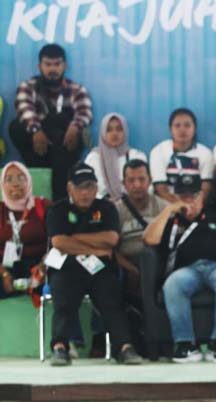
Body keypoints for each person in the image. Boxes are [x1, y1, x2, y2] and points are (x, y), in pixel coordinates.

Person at [45, 163, 143, 366]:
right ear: (69, 188)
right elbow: (59, 242)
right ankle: (60, 347)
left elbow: (111, 239)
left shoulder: (106, 208)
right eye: (80, 187)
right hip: (68, 266)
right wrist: (96, 249)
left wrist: (74, 238)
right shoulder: (58, 209)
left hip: (98, 268)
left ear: (96, 188)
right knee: (63, 298)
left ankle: (124, 347)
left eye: (89, 187)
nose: (85, 193)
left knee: (112, 298)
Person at [143, 173, 216, 363]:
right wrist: (169, 210)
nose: (189, 201)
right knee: (173, 284)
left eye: (193, 196)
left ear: (201, 196)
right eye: (183, 196)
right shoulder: (170, 222)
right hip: (186, 270)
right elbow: (149, 239)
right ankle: (185, 344)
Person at [8, 44, 92, 200]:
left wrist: (74, 127)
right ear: (39, 66)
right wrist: (36, 131)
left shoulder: (76, 89)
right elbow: (24, 109)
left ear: (64, 66)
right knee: (16, 126)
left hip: (64, 144)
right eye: (48, 64)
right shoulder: (28, 87)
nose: (52, 69)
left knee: (70, 125)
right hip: (37, 147)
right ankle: (40, 189)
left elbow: (84, 112)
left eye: (57, 64)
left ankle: (60, 201)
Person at [114, 160, 168, 293]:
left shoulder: (163, 207)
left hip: (156, 260)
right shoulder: (115, 210)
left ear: (150, 181)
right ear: (124, 183)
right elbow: (110, 249)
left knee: (149, 257)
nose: (137, 185)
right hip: (126, 262)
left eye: (142, 179)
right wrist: (130, 268)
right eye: (131, 180)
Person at [0, 162, 50, 298]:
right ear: (2, 185)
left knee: (57, 282)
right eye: (9, 179)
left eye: (21, 178)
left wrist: (43, 266)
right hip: (5, 266)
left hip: (38, 264)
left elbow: (57, 242)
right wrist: (4, 273)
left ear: (28, 181)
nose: (15, 184)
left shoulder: (43, 206)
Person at [149, 108, 214, 203]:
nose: (182, 130)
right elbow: (160, 189)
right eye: (177, 126)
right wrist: (180, 206)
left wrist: (194, 207)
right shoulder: (158, 151)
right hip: (168, 206)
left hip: (197, 206)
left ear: (195, 129)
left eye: (187, 125)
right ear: (170, 129)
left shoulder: (205, 153)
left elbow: (206, 188)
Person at [84, 113, 147, 201]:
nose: (114, 134)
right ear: (102, 133)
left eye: (119, 129)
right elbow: (87, 187)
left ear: (125, 131)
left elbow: (146, 187)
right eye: (109, 130)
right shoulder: (93, 158)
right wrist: (105, 201)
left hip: (131, 204)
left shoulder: (136, 156)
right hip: (100, 204)